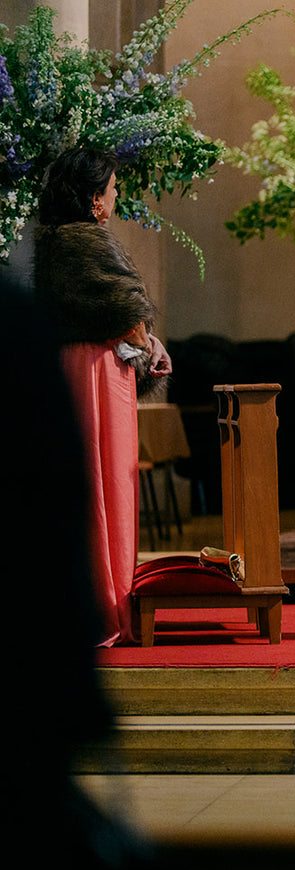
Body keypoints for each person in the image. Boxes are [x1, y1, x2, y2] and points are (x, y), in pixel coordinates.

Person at [32, 147, 172, 646]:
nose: (116, 197)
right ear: (94, 199)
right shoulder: (86, 242)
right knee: (107, 480)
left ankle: (88, 604)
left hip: (74, 365)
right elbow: (124, 311)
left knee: (88, 480)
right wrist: (150, 343)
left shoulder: (52, 243)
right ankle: (109, 606)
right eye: (112, 189)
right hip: (98, 371)